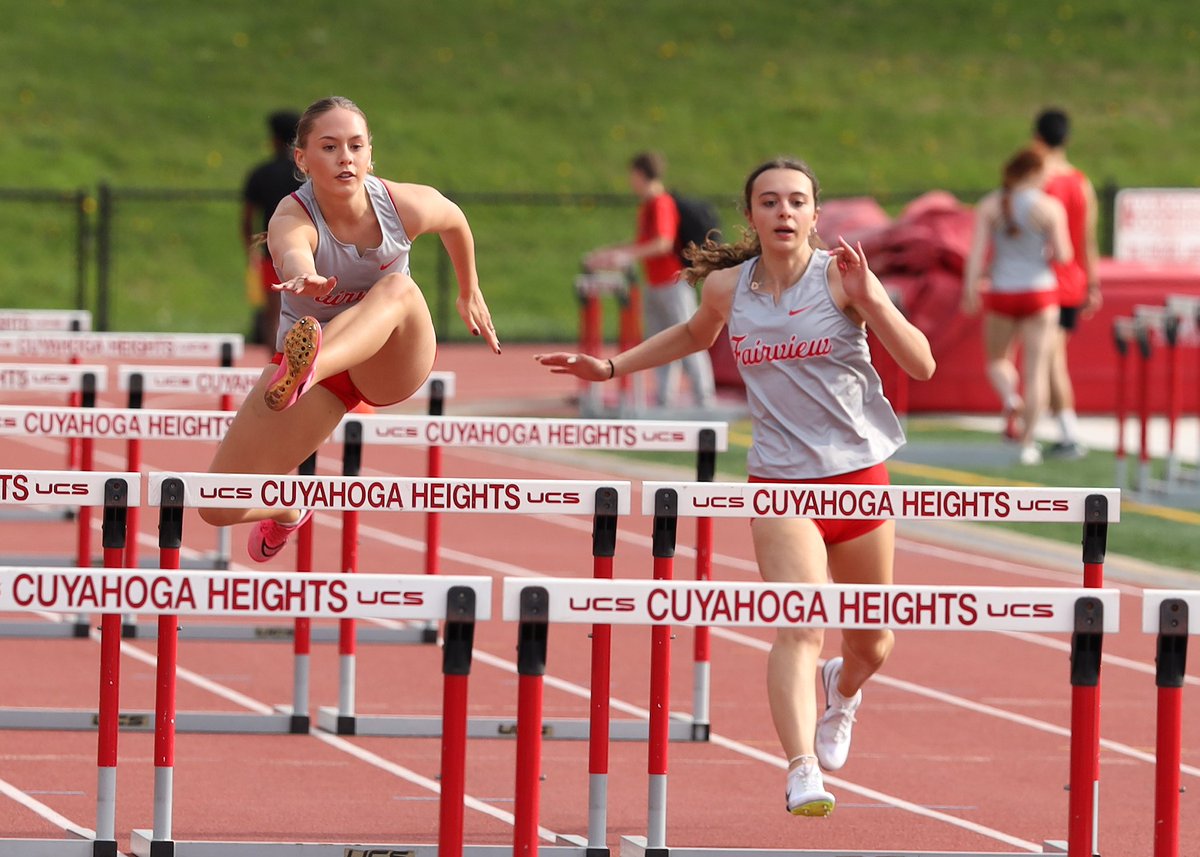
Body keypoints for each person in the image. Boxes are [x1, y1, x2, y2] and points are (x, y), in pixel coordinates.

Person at [538, 157, 936, 817]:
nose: (784, 212)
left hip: (860, 476)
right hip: (780, 482)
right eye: (770, 201)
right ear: (751, 214)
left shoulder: (842, 279)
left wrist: (871, 301)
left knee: (872, 642)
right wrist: (610, 366)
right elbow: (693, 333)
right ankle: (802, 767)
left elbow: (920, 363)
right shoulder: (728, 287)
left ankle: (845, 688)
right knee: (800, 624)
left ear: (814, 214)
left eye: (797, 201)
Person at [202, 96, 500, 559]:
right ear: (301, 158)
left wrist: (470, 289)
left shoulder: (401, 205)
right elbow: (292, 246)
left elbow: (455, 220)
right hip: (321, 381)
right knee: (214, 503)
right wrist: (303, 270)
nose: (346, 157)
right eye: (330, 146)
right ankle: (288, 507)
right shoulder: (292, 214)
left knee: (397, 290)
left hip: (391, 358)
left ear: (369, 153)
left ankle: (308, 368)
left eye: (356, 146)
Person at [962, 147, 1073, 466]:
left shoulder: (991, 205)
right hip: (1039, 291)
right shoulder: (1050, 207)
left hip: (1002, 290)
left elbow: (977, 252)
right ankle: (1028, 443)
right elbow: (1064, 256)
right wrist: (1047, 248)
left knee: (997, 360)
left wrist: (970, 288)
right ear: (1034, 172)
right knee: (1035, 371)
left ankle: (1011, 398)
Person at [585, 151, 716, 409]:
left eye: (632, 175)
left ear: (640, 174)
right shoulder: (646, 206)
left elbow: (662, 243)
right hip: (655, 283)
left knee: (690, 337)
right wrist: (612, 254)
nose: (630, 181)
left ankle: (704, 397)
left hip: (673, 283)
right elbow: (642, 244)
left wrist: (626, 257)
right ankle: (664, 398)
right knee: (659, 342)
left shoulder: (661, 203)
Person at [1032, 108, 1101, 459]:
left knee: (1050, 359)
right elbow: (1088, 241)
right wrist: (1093, 284)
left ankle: (1066, 432)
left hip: (1043, 282)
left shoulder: (1039, 182)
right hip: (1072, 281)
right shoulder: (1081, 183)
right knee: (1048, 358)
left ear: (1037, 138)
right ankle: (1057, 428)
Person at [242, 110, 303, 347]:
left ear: (275, 139)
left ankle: (274, 370)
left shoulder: (260, 174)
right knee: (307, 314)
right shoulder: (306, 175)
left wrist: (251, 251)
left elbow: (247, 219)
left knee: (274, 314)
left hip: (271, 252)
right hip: (309, 250)